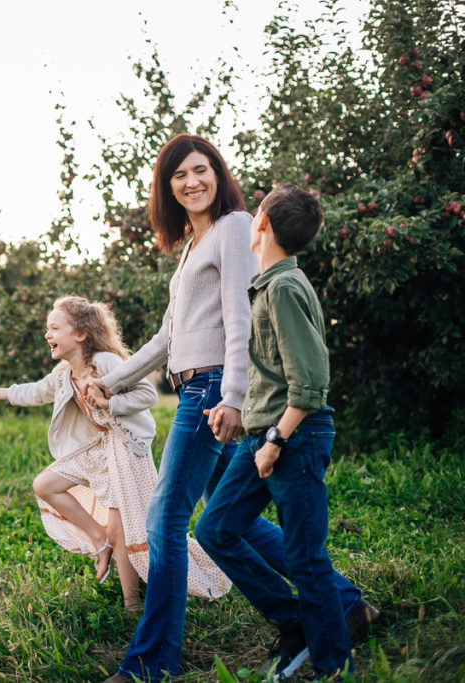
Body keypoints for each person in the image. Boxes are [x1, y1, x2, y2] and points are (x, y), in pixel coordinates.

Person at [84, 135, 373, 683]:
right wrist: (112, 382)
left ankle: (150, 663)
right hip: (201, 387)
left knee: (165, 516)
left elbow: (242, 321)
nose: (193, 181)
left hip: (215, 391)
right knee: (225, 518)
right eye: (180, 175)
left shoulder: (236, 226)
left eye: (202, 169)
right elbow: (169, 335)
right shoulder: (194, 245)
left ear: (219, 172)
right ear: (166, 188)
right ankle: (343, 605)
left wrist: (234, 397)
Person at [194, 185, 360, 680]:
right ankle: (294, 624)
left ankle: (332, 666)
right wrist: (246, 418)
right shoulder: (268, 284)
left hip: (293, 438)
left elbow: (309, 384)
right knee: (215, 528)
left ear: (261, 222)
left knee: (307, 558)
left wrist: (275, 442)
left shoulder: (284, 289)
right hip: (262, 434)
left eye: (255, 210)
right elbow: (275, 375)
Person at [0, 296, 231, 610]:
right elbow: (36, 391)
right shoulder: (65, 373)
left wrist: (111, 403)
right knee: (44, 485)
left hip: (127, 450)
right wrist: (0, 393)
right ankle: (98, 540)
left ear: (80, 334)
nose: (47, 335)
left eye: (54, 328)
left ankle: (132, 605)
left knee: (124, 529)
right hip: (99, 448)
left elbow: (147, 393)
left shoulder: (106, 362)